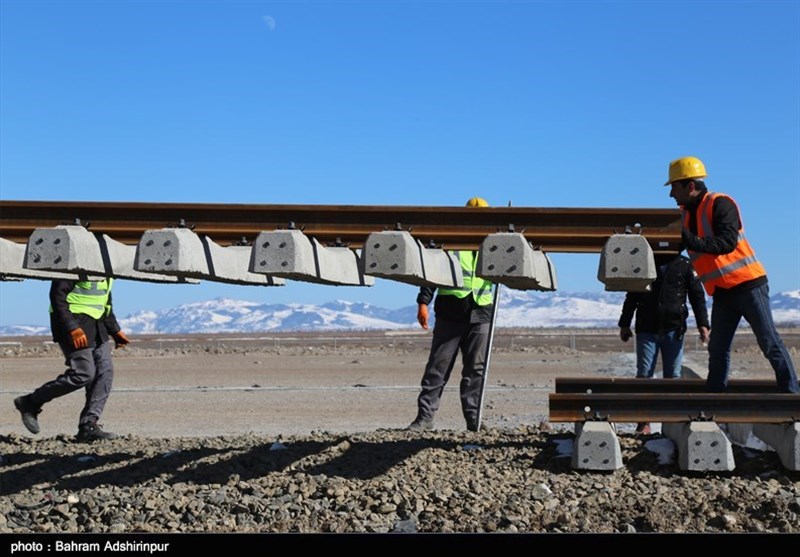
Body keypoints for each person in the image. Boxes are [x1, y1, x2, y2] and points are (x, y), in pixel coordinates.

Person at [664, 155, 799, 394]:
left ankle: (792, 394)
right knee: (717, 349)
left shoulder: (720, 203)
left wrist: (691, 240)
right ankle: (715, 399)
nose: (671, 194)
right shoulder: (684, 215)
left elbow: (727, 242)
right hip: (723, 291)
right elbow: (676, 249)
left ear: (690, 186)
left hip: (748, 285)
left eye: (674, 187)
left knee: (768, 342)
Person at [407, 196, 495, 432]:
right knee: (438, 367)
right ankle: (424, 419)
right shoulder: (451, 238)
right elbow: (433, 271)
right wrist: (423, 301)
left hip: (482, 312)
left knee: (476, 370)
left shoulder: (495, 241)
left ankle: (473, 421)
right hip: (451, 312)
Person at [13, 278, 131, 441]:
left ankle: (88, 425)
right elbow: (57, 296)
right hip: (75, 326)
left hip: (98, 327)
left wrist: (114, 330)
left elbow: (105, 302)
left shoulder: (107, 271)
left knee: (105, 372)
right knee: (84, 373)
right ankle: (31, 402)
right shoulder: (76, 261)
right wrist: (71, 327)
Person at [618, 252, 711, 433]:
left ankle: (673, 419)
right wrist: (624, 324)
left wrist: (703, 324)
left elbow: (697, 296)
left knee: (673, 377)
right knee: (644, 376)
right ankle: (644, 421)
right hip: (647, 328)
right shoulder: (644, 264)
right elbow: (632, 296)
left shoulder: (685, 265)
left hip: (674, 329)